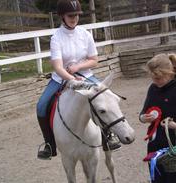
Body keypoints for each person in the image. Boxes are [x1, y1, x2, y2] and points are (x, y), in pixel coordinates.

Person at [36, 0, 121, 160]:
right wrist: (71, 79)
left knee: (106, 97)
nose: (74, 18)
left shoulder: (85, 34)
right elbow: (58, 67)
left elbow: (94, 60)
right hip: (61, 78)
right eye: (70, 15)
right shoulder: (56, 38)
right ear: (62, 16)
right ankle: (49, 145)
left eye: (76, 15)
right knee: (41, 106)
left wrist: (77, 68)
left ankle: (108, 137)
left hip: (86, 75)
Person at [139, 53, 176, 183]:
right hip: (156, 143)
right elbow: (143, 112)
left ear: (170, 73)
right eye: (153, 78)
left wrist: (174, 126)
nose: (156, 82)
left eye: (159, 78)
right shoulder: (153, 88)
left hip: (174, 143)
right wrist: (144, 118)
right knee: (157, 176)